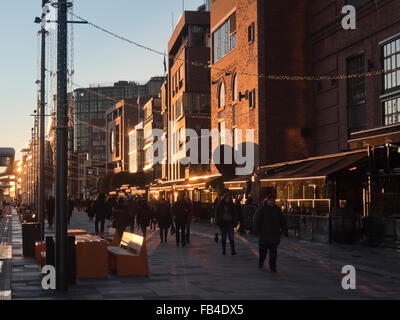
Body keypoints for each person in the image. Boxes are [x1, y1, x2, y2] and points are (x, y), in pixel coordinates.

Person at [253, 194, 288, 273]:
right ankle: (261, 261)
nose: (272, 202)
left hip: (274, 234)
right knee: (263, 252)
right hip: (264, 234)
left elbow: (282, 220)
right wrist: (256, 231)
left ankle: (273, 267)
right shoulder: (261, 209)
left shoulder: (277, 209)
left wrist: (285, 230)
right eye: (270, 200)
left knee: (273, 253)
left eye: (273, 200)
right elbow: (256, 220)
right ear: (267, 201)